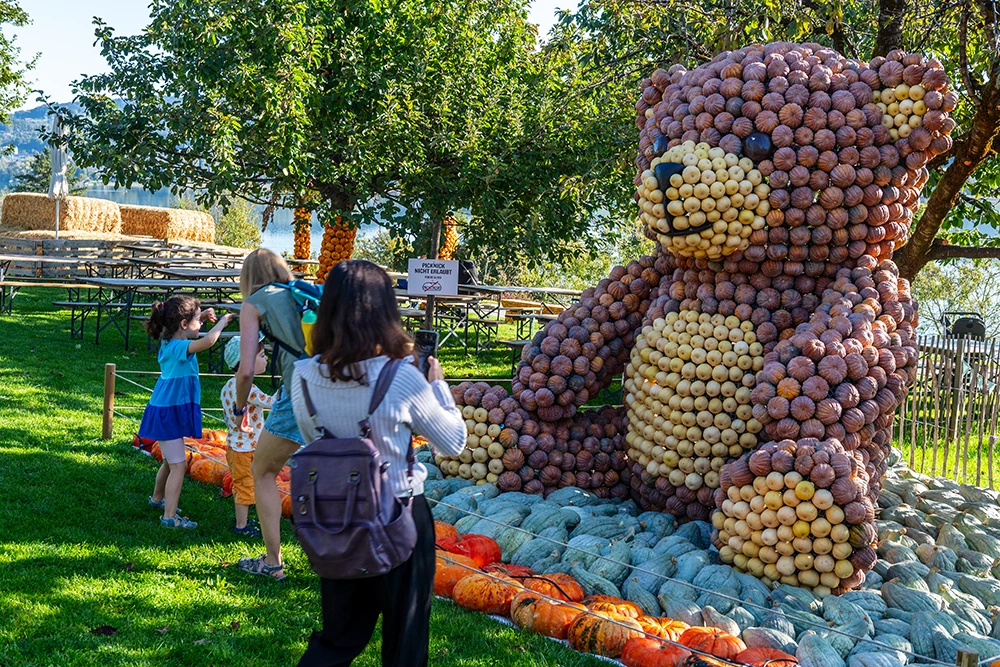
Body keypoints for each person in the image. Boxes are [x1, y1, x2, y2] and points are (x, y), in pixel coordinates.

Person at [289, 260, 465, 667]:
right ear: (386, 310)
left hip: (334, 515)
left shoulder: (300, 376)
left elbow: (314, 438)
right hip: (399, 514)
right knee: (405, 643)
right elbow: (453, 442)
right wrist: (437, 386)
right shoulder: (402, 377)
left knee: (337, 637)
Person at [234, 249, 307, 579]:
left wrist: (239, 408)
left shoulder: (254, 303)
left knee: (262, 471)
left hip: (299, 393)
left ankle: (273, 561)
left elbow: (246, 370)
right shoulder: (303, 292)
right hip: (342, 391)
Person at [141, 296, 233, 529]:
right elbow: (209, 341)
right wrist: (221, 322)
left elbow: (187, 328)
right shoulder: (181, 347)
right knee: (179, 466)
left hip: (167, 410)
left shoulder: (170, 340)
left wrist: (200, 316)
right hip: (168, 413)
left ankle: (157, 499)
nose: (200, 325)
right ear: (183, 325)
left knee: (172, 462)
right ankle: (169, 518)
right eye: (197, 321)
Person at [221, 334, 275, 538]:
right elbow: (271, 402)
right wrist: (289, 388)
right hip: (245, 449)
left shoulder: (227, 386)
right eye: (262, 355)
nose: (266, 358)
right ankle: (241, 526)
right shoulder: (248, 390)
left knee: (244, 483)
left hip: (236, 446)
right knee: (244, 486)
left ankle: (243, 521)